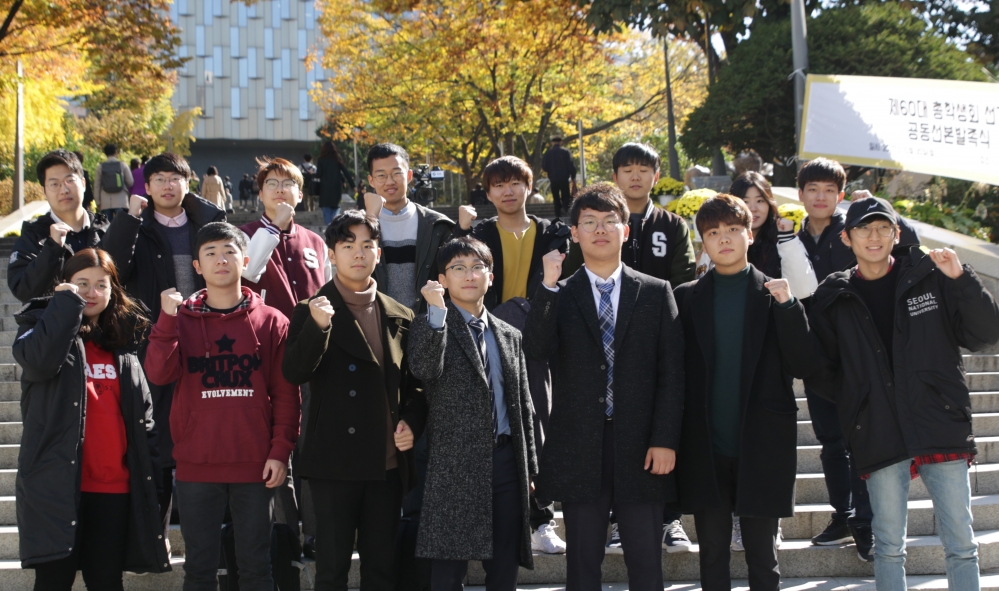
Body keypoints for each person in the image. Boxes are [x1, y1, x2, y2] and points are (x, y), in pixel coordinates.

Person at [807, 197, 999, 588]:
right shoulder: (833, 296)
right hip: (878, 431)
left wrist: (960, 278)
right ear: (846, 238)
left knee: (961, 544)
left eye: (883, 227)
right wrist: (860, 403)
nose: (874, 236)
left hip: (938, 421)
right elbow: (822, 371)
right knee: (889, 547)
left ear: (897, 234)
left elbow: (985, 335)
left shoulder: (932, 277)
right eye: (864, 228)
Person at [523, 183, 684, 591]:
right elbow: (535, 350)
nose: (599, 229)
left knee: (646, 561)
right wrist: (547, 285)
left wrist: (665, 439)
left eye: (609, 221)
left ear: (625, 231)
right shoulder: (559, 293)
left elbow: (672, 373)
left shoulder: (655, 291)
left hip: (642, 445)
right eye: (589, 222)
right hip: (579, 444)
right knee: (582, 563)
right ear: (574, 233)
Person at [673, 195, 819, 591]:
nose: (724, 239)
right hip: (706, 443)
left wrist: (789, 307)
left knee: (763, 555)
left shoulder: (774, 294)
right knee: (712, 552)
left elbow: (804, 364)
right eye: (713, 233)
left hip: (762, 441)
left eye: (733, 229)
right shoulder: (686, 296)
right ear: (703, 241)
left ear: (750, 235)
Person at [144, 222, 300, 591]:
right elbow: (158, 373)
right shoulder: (179, 319)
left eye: (229, 251)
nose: (221, 260)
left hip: (255, 463)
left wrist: (280, 451)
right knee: (199, 570)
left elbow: (286, 393)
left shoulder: (272, 321)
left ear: (245, 260)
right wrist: (166, 320)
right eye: (211, 253)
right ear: (197, 266)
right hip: (196, 464)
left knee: (257, 569)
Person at [283, 210, 427, 590]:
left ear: (379, 253)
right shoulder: (310, 309)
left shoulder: (400, 314)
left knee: (381, 571)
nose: (358, 253)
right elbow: (294, 372)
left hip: (386, 464)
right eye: (348, 246)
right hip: (334, 465)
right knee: (332, 572)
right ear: (331, 254)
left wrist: (411, 423)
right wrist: (318, 328)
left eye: (367, 245)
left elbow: (415, 386)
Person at [14, 248, 170, 590]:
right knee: (53, 582)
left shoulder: (124, 345)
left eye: (101, 285)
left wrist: (155, 504)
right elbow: (38, 362)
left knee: (106, 582)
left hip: (114, 489)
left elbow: (145, 427)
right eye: (81, 283)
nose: (91, 292)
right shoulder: (39, 327)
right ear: (64, 285)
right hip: (56, 488)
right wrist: (64, 306)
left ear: (113, 291)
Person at [794, 158, 918, 558]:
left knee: (861, 439)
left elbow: (908, 247)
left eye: (829, 190)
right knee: (830, 440)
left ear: (841, 195)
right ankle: (842, 515)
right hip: (818, 354)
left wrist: (884, 208)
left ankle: (865, 522)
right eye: (813, 189)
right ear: (800, 194)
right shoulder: (790, 236)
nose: (821, 197)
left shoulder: (856, 231)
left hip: (860, 354)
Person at [102, 152, 226, 544]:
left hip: (209, 345)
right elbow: (113, 270)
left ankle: (208, 537)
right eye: (158, 179)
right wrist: (129, 219)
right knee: (157, 442)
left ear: (187, 182)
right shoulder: (138, 227)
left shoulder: (208, 225)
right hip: (155, 346)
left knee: (207, 436)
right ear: (148, 186)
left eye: (174, 178)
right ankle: (155, 540)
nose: (167, 186)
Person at [453, 155, 575, 553]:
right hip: (486, 341)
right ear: (488, 193)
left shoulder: (554, 233)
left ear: (529, 187)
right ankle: (486, 517)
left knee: (538, 424)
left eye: (515, 183)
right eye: (499, 185)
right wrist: (462, 229)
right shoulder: (479, 234)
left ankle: (542, 519)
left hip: (537, 344)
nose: (508, 191)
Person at [408, 236, 538, 591]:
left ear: (490, 277)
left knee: (504, 566)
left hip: (506, 461)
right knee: (449, 570)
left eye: (478, 267)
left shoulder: (509, 334)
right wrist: (436, 313)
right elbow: (424, 369)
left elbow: (523, 404)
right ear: (442, 279)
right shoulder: (428, 325)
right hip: (454, 464)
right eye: (458, 268)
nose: (469, 275)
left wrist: (529, 466)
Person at [240, 156, 332, 554]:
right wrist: (273, 229)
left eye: (288, 183)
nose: (280, 190)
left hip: (311, 353)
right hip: (264, 353)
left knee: (312, 443)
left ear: (300, 192)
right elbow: (247, 274)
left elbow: (330, 291)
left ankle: (314, 532)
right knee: (275, 443)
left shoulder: (315, 240)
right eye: (272, 184)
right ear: (259, 193)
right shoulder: (244, 235)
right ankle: (284, 532)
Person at [9, 150, 111, 303]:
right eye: (54, 184)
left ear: (83, 183)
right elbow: (23, 290)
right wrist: (52, 248)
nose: (64, 190)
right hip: (54, 318)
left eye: (70, 180)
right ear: (44, 191)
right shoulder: (34, 236)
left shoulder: (105, 229)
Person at [363, 143, 454, 313]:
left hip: (427, 320)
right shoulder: (356, 226)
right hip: (376, 320)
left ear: (409, 175)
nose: (390, 181)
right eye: (381, 175)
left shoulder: (437, 226)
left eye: (397, 173)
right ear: (371, 180)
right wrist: (369, 220)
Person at [316, 141, 355, 226]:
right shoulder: (337, 159)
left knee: (326, 211)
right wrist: (353, 185)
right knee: (336, 211)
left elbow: (319, 174)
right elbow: (346, 172)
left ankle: (329, 230)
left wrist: (312, 174)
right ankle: (335, 229)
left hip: (325, 190)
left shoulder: (321, 160)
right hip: (336, 189)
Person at [95, 144, 133, 221]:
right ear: (116, 152)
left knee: (107, 225)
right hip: (121, 200)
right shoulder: (122, 165)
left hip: (105, 202)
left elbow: (97, 185)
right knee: (121, 225)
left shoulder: (100, 167)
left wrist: (98, 201)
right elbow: (130, 182)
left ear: (105, 153)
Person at [541, 138, 577, 219]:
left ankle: (558, 213)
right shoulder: (565, 152)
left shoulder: (548, 153)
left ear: (552, 143)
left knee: (555, 196)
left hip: (553, 178)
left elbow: (544, 166)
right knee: (565, 194)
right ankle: (565, 208)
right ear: (561, 142)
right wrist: (573, 176)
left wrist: (550, 171)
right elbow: (570, 165)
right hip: (564, 177)